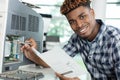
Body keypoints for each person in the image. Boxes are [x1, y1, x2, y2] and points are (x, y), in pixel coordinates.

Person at [21, 0, 120, 80]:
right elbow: (54, 62)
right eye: (72, 22)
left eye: (82, 16)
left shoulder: (115, 41)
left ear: (92, 13)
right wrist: (32, 51)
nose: (79, 25)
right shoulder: (76, 39)